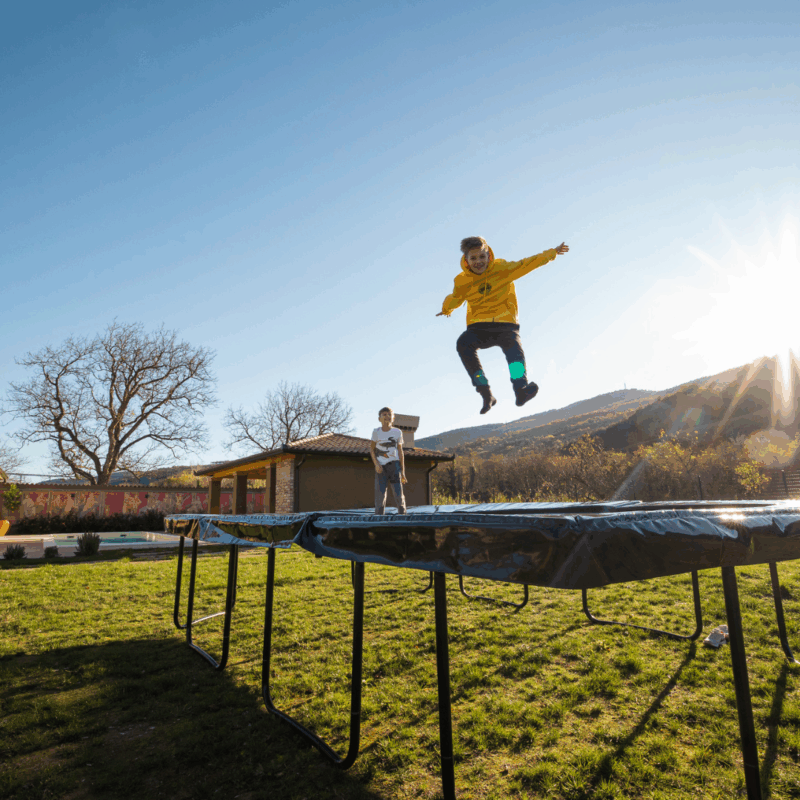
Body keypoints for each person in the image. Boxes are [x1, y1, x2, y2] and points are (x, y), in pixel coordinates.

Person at [437, 236, 569, 414]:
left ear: (488, 256)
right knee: (463, 343)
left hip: (506, 324)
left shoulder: (502, 268)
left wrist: (552, 253)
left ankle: (521, 390)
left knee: (514, 352)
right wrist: (446, 309)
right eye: (473, 258)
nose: (478, 262)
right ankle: (485, 392)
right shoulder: (462, 281)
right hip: (479, 326)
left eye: (482, 257)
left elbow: (526, 264)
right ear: (466, 260)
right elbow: (456, 298)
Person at [370, 407, 407, 514]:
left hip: (394, 465)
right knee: (380, 495)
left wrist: (403, 472)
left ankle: (403, 516)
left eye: (389, 414)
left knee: (399, 494)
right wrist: (376, 464)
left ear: (393, 418)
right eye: (384, 414)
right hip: (381, 467)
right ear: (379, 418)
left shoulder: (397, 432)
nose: (387, 416)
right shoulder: (376, 432)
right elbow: (372, 449)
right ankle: (379, 518)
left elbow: (400, 452)